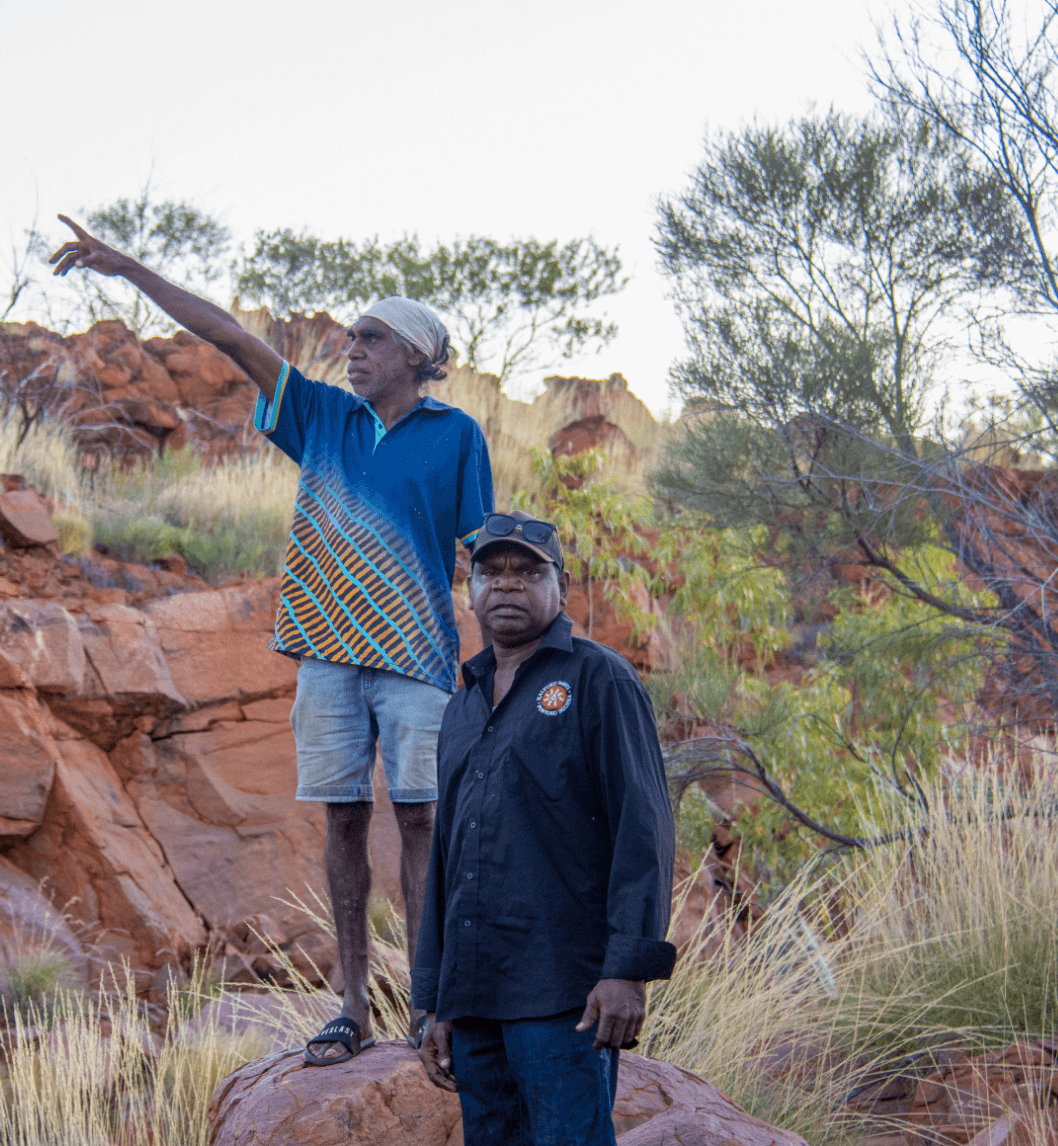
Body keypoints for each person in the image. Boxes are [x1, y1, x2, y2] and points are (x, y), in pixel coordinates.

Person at [50, 216, 494, 1065]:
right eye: (350, 336)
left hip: (419, 658)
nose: (351, 347)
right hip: (327, 655)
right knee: (341, 820)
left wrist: (499, 658)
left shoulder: (456, 435)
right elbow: (225, 333)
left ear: (414, 355)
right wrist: (126, 267)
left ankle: (430, 1005)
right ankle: (354, 1007)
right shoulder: (321, 416)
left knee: (420, 822)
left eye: (371, 338)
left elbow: (479, 551)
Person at [412, 510, 677, 1145]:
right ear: (470, 588)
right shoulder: (464, 702)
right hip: (475, 997)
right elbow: (446, 860)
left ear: (560, 586)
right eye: (491, 572)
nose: (507, 585)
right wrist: (434, 1000)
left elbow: (645, 829)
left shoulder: (598, 679)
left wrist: (627, 970)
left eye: (527, 572)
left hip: (566, 994)